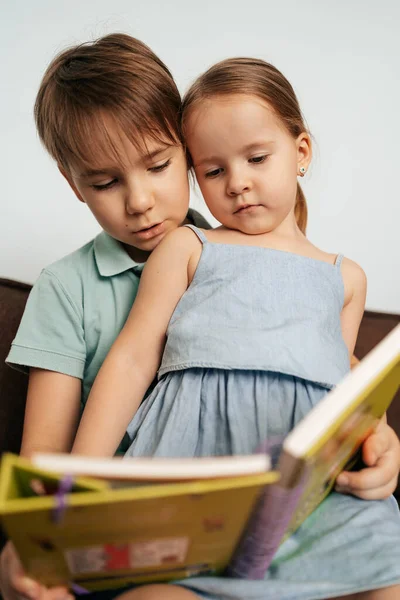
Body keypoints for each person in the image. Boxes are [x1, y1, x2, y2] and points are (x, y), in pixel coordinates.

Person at [0, 35, 398, 600]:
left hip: (285, 510)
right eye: (106, 182)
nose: (139, 200)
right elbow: (61, 438)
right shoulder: (88, 283)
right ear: (74, 184)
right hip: (154, 526)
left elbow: (332, 368)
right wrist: (45, 530)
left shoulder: (298, 264)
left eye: (159, 165)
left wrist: (381, 437)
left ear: (186, 153)